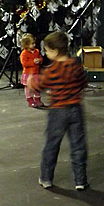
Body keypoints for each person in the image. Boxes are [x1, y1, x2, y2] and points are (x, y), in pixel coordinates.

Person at [27, 31, 88, 191]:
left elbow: (39, 86)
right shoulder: (75, 65)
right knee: (78, 146)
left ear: (54, 51)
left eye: (47, 50)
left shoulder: (52, 70)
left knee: (52, 145)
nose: (46, 54)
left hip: (57, 111)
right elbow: (83, 82)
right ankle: (80, 181)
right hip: (75, 109)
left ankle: (46, 178)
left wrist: (31, 82)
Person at [19, 33, 44, 108]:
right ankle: (29, 99)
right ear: (26, 45)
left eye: (34, 43)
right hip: (28, 73)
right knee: (28, 87)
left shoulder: (37, 51)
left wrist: (39, 60)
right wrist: (33, 62)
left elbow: (40, 58)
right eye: (32, 43)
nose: (34, 45)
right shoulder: (24, 53)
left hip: (36, 72)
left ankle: (37, 99)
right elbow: (24, 63)